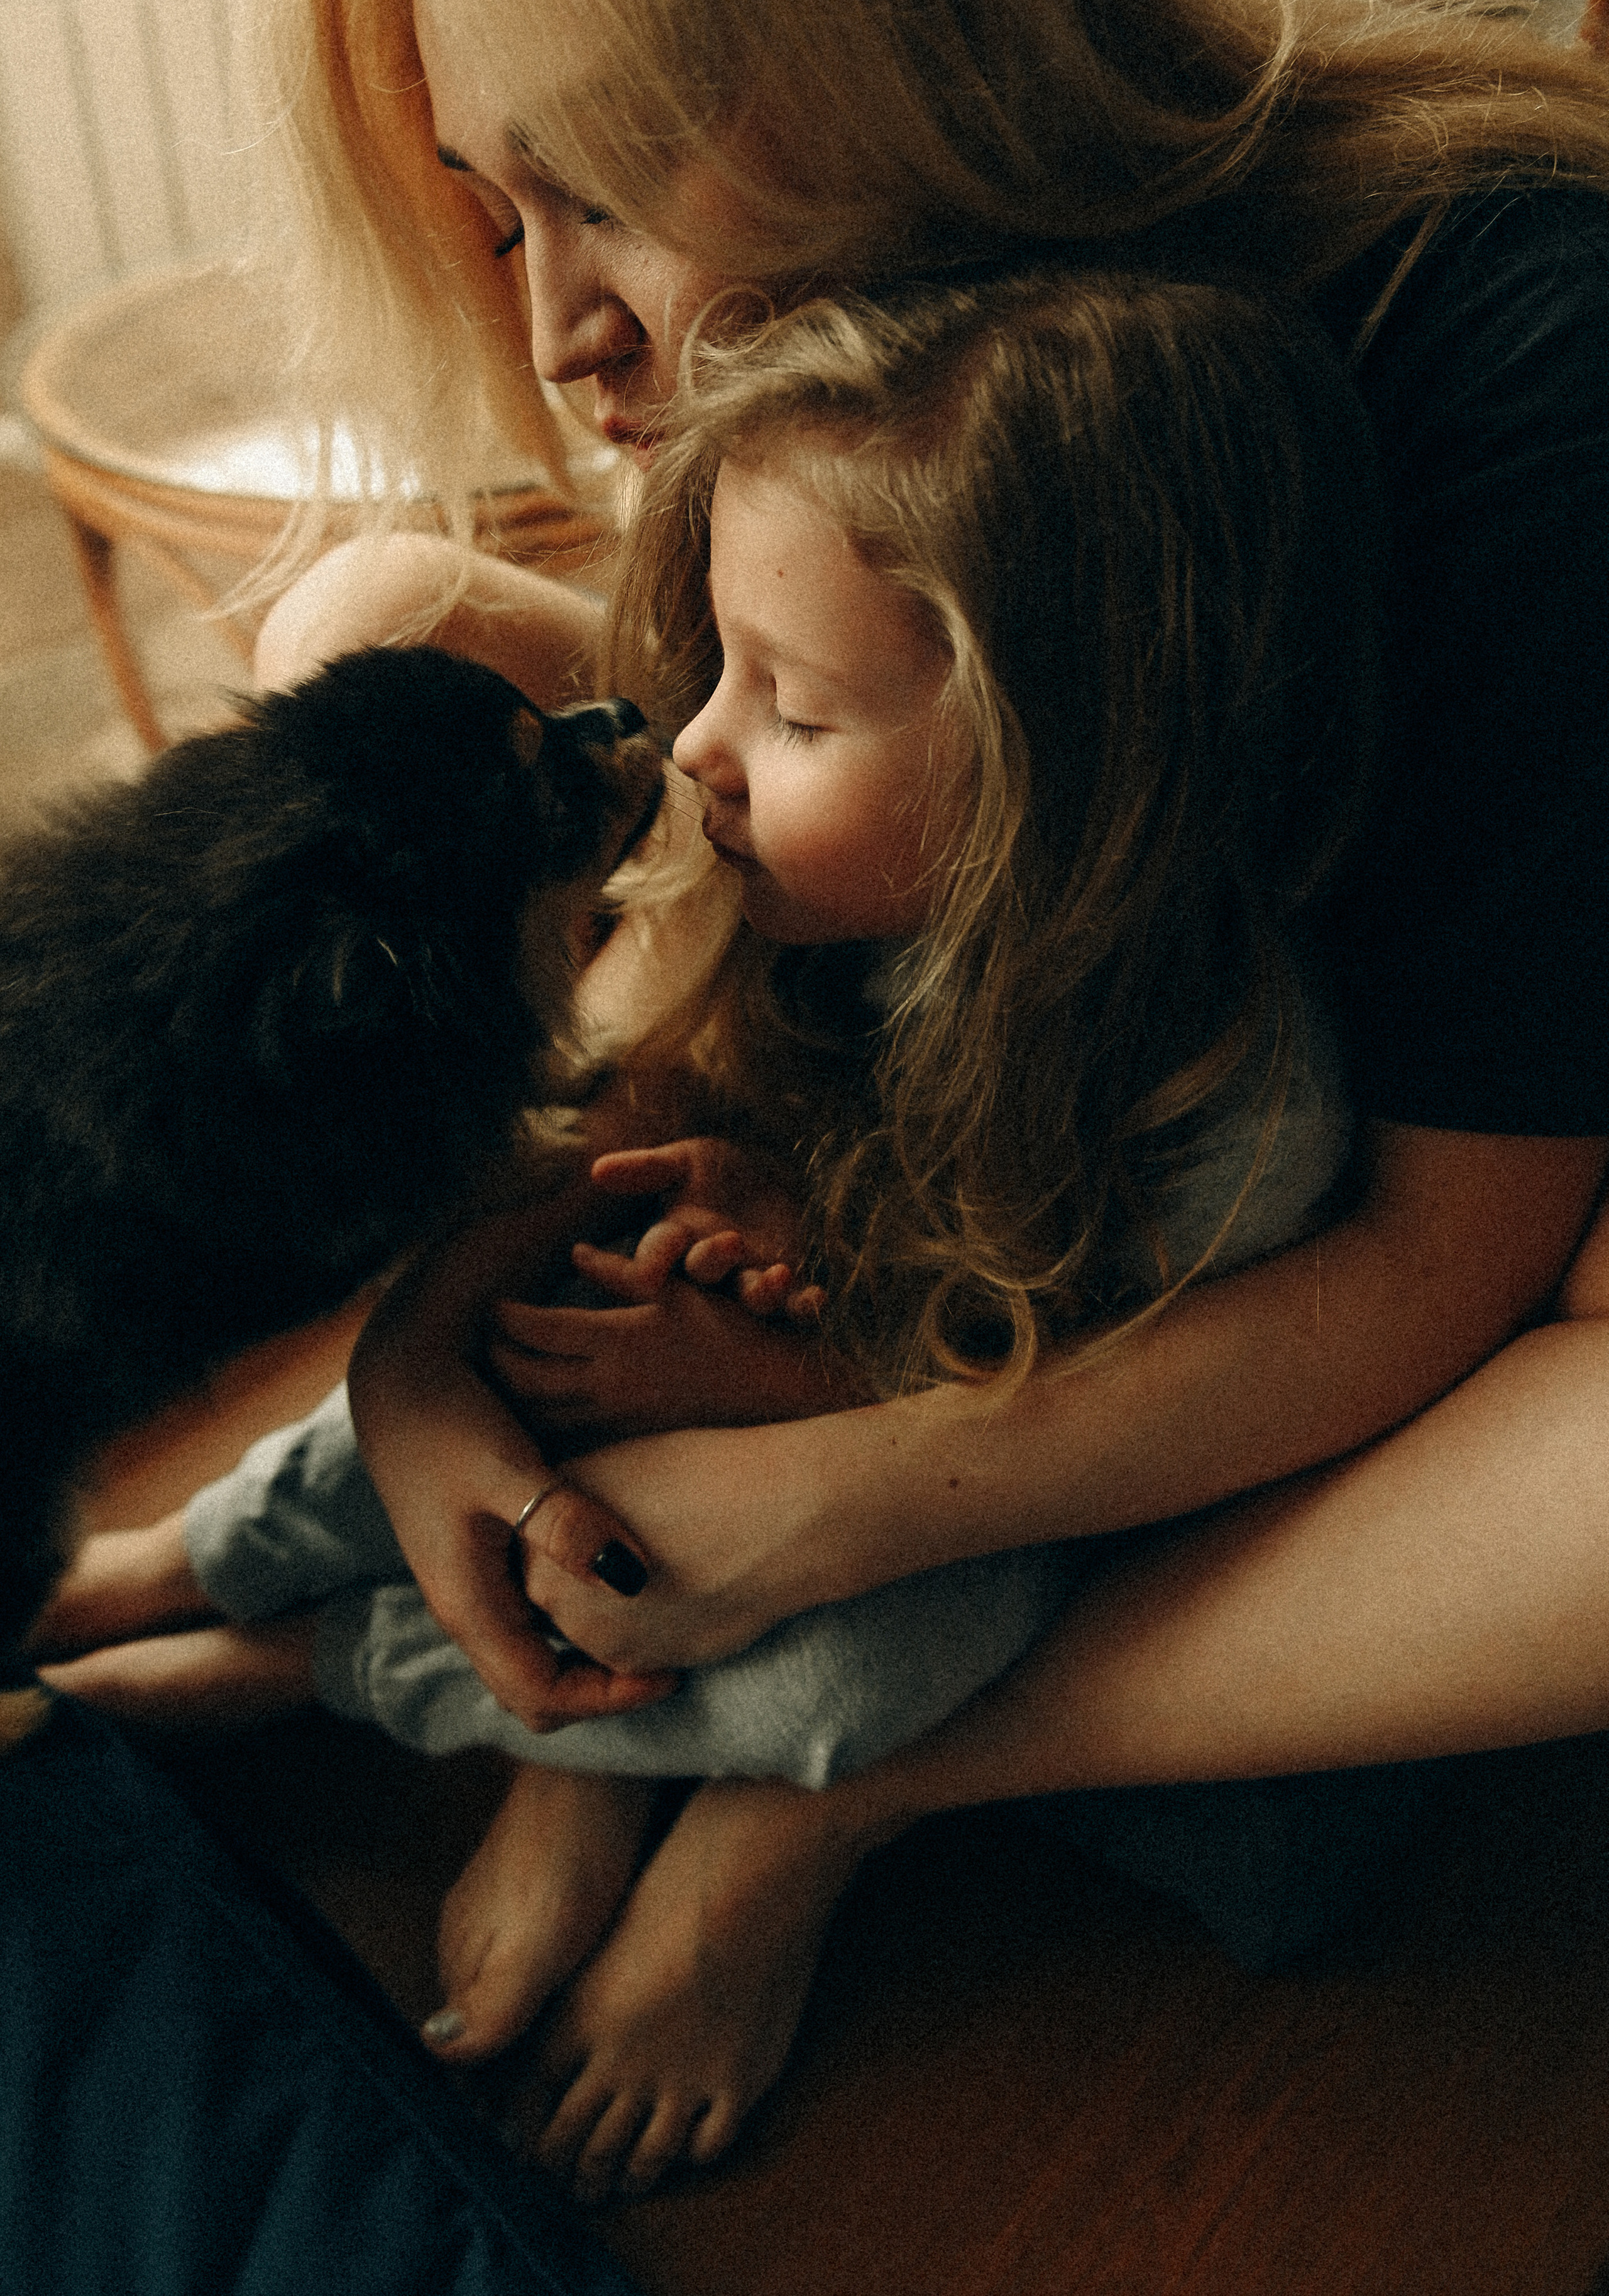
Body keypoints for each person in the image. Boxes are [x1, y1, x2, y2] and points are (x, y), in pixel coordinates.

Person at [50, 0, 1609, 2202]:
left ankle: (866, 1778)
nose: (562, 335)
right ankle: (380, 1595)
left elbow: (1433, 1245)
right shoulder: (856, 298)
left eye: (597, 187)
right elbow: (762, 835)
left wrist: (812, 1504)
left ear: (879, 62)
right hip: (970, 988)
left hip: (1351, 1175)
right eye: (498, 210)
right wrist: (426, 1356)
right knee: (376, 617)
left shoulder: (1510, 345)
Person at [41, 261, 1365, 2170]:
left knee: (875, 1677)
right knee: (528, 1307)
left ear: (1080, 792)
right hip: (779, 1347)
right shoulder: (790, 896)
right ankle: (179, 1557)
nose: (693, 747)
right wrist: (729, 1223)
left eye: (796, 711)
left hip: (971, 1490)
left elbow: (1107, 1436)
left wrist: (787, 1369)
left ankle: (331, 1669)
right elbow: (593, 1157)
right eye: (723, 668)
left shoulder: (1231, 1111)